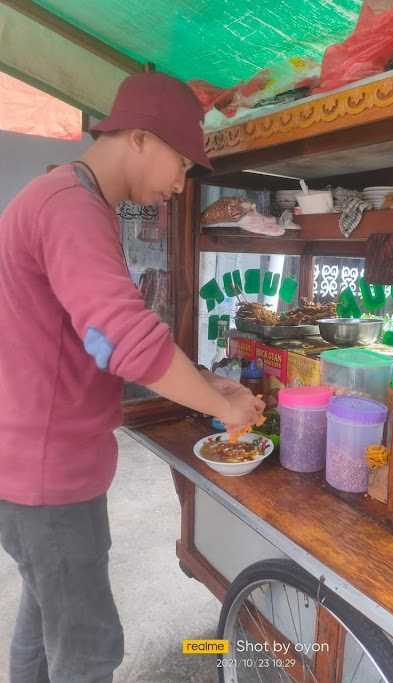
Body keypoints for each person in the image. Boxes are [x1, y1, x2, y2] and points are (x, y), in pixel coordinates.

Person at [0, 72, 264, 683]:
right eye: (182, 162)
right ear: (139, 139)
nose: (182, 182)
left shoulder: (65, 196)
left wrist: (205, 382)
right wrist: (226, 412)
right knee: (88, 649)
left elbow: (96, 334)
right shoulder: (70, 207)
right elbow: (123, 338)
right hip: (49, 474)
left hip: (33, 463)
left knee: (44, 624)